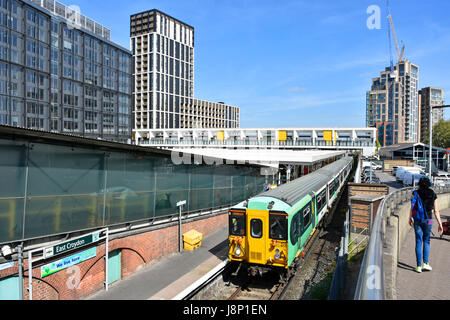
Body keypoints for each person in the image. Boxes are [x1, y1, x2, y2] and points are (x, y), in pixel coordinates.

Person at [409, 177, 444, 273]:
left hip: (418, 220)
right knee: (427, 241)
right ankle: (426, 263)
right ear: (429, 184)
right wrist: (440, 224)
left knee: (418, 241)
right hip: (428, 220)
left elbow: (412, 207)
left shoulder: (415, 193)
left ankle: (418, 266)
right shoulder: (432, 194)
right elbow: (436, 211)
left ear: (419, 184)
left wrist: (410, 218)